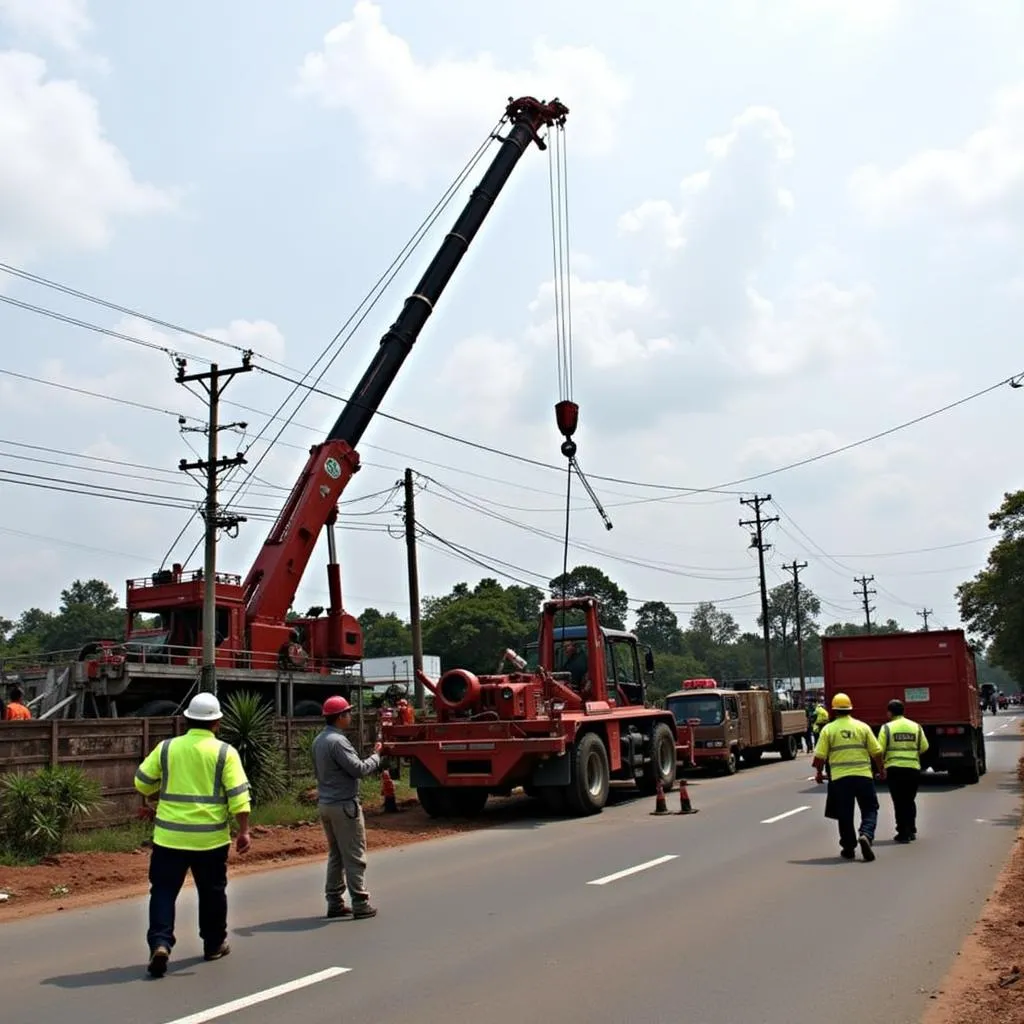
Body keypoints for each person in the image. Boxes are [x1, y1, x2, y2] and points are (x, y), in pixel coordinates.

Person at [133, 692, 251, 978]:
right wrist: (244, 831)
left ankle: (160, 943)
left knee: (162, 891)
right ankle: (213, 944)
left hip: (169, 838)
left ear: (186, 719)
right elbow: (238, 796)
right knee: (211, 893)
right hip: (210, 841)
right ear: (218, 722)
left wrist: (155, 795)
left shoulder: (166, 748)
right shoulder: (225, 752)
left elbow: (142, 782)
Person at [312, 695, 383, 920]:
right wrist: (377, 756)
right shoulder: (338, 742)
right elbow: (359, 769)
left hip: (326, 804)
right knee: (354, 854)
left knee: (337, 854)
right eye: (348, 713)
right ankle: (360, 902)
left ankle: (334, 900)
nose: (350, 717)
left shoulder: (318, 741)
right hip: (344, 805)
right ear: (340, 717)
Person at [812, 692, 885, 862]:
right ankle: (866, 834)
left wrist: (818, 773)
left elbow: (819, 757)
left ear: (833, 710)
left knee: (844, 814)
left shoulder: (828, 729)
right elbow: (877, 751)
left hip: (839, 779)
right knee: (870, 808)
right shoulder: (862, 727)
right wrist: (881, 769)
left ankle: (849, 847)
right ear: (851, 708)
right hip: (863, 776)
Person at [878, 698, 929, 843]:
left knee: (899, 801)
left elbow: (879, 749)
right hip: (912, 768)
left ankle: (903, 831)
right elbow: (924, 747)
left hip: (894, 769)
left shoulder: (887, 728)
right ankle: (911, 828)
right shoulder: (916, 727)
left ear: (889, 713)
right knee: (909, 800)